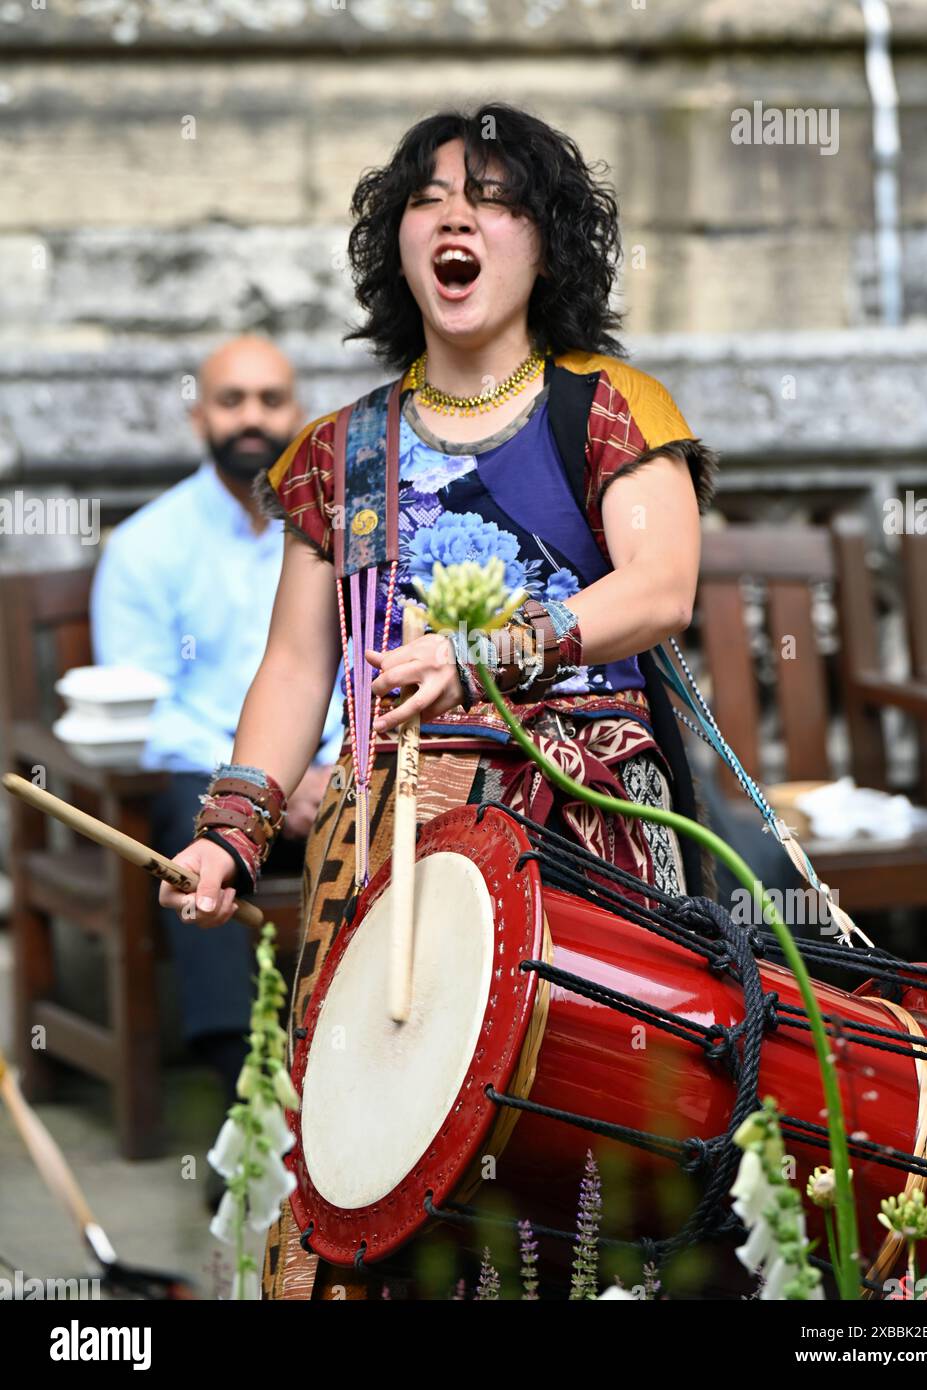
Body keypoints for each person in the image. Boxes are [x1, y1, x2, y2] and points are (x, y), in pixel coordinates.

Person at [158, 103, 719, 1296]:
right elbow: (298, 668)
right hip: (383, 844)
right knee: (372, 1157)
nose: (458, 215)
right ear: (399, 246)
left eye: (497, 197)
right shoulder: (336, 451)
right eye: (430, 198)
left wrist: (483, 656)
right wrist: (229, 831)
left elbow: (662, 588)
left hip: (577, 832)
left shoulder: (609, 406)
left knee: (562, 1157)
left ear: (544, 247)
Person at [91, 335, 343, 1150]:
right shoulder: (146, 548)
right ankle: (249, 1117)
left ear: (296, 414)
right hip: (218, 798)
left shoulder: (332, 536)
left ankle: (368, 1112)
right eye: (232, 400)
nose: (251, 418)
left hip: (338, 785)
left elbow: (357, 667)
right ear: (199, 413)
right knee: (183, 812)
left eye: (271, 400)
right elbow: (143, 706)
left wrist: (322, 767)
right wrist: (263, 782)